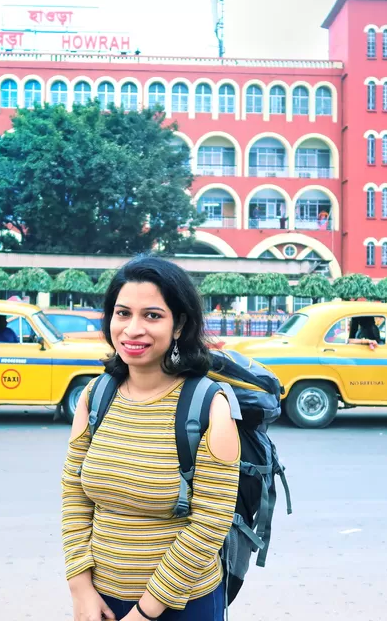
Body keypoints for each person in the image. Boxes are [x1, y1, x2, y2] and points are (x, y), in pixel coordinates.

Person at [61, 255, 240, 621]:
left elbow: (210, 524)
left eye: (152, 316)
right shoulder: (95, 396)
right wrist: (80, 588)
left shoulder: (209, 406)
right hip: (101, 603)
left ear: (179, 326)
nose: (132, 329)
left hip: (182, 605)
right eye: (123, 313)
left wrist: (144, 613)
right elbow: (74, 493)